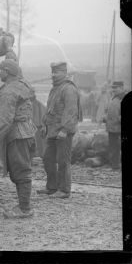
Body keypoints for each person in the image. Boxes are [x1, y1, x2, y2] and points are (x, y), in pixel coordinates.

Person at [0, 59, 37, 219]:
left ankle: (24, 208)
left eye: (1, 70)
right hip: (26, 132)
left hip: (17, 134)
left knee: (20, 171)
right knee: (20, 170)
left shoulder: (9, 91)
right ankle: (23, 206)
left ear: (7, 72)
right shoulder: (22, 85)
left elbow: (5, 120)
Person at [38, 61, 81, 199]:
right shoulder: (55, 89)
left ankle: (64, 190)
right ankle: (52, 187)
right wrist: (44, 124)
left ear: (65, 73)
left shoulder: (68, 89)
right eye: (52, 72)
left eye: (57, 72)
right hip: (52, 131)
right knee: (47, 159)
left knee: (63, 161)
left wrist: (65, 129)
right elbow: (49, 109)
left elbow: (71, 111)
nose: (53, 75)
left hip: (63, 132)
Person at [103, 81, 125, 170]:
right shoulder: (114, 97)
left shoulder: (122, 97)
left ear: (122, 88)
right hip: (112, 128)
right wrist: (106, 118)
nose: (114, 89)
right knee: (113, 147)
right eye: (113, 88)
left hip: (119, 127)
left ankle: (115, 165)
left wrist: (118, 119)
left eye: (116, 88)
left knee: (117, 147)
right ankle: (114, 165)